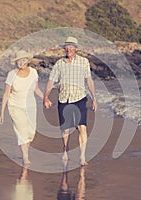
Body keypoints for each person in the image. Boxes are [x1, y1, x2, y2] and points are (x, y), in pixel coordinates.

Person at [43, 36, 97, 166]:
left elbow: (89, 80)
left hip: (80, 98)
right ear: (64, 49)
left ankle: (82, 157)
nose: (69, 49)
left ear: (76, 49)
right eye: (67, 47)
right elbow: (51, 81)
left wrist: (94, 98)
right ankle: (65, 150)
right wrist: (46, 97)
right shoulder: (59, 64)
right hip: (64, 98)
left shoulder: (84, 62)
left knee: (82, 127)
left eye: (71, 47)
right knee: (65, 129)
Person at [0, 50, 43, 166]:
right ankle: (25, 157)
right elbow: (6, 94)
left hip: (30, 107)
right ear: (16, 62)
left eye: (24, 60)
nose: (21, 62)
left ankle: (25, 152)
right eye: (19, 60)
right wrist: (2, 112)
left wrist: (45, 99)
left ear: (28, 61)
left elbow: (36, 89)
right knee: (22, 132)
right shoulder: (11, 75)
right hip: (15, 106)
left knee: (30, 133)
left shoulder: (33, 72)